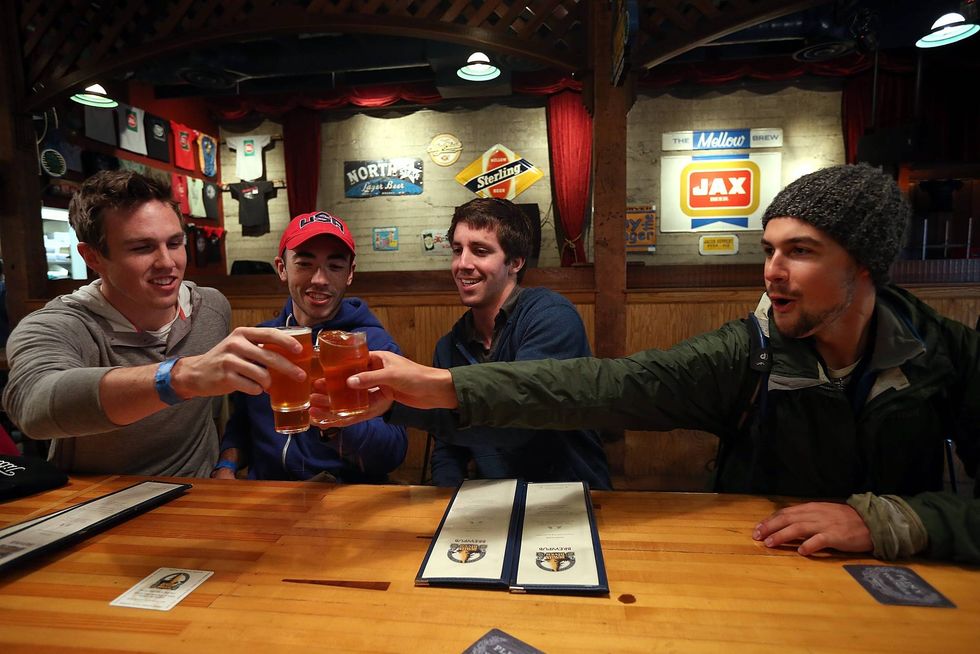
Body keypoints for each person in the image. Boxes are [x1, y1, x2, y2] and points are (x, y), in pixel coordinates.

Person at [323, 164, 980, 563]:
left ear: (863, 265)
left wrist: (897, 521)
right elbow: (611, 386)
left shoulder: (950, 357)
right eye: (769, 249)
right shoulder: (747, 352)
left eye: (800, 252)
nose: (772, 273)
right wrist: (437, 387)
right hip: (765, 559)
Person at [1, 170, 307, 477]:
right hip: (101, 505)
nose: (167, 262)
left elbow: (213, 417)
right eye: (142, 248)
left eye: (175, 243)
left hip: (203, 500)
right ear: (92, 257)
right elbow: (33, 404)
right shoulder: (60, 324)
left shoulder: (211, 308)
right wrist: (179, 377)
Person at [380, 198, 608, 488]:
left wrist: (396, 404)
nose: (462, 264)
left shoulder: (550, 317)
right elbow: (449, 449)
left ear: (515, 261)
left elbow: (518, 422)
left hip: (568, 499)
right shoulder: (449, 346)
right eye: (457, 250)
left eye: (480, 251)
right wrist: (446, 504)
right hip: (493, 505)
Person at [215, 211, 407, 482]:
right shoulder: (260, 340)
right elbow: (244, 423)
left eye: (335, 266)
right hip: (267, 498)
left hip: (345, 503)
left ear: (350, 274)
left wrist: (334, 423)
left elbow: (392, 455)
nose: (320, 279)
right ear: (282, 268)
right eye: (305, 264)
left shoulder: (374, 346)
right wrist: (226, 466)